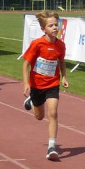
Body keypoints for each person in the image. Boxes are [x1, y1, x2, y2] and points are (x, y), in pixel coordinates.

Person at [22, 11, 69, 161]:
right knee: (39, 116)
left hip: (52, 84)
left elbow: (61, 62)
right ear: (43, 29)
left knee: (53, 113)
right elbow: (26, 64)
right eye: (51, 25)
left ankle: (51, 147)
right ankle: (30, 99)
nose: (55, 27)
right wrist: (26, 83)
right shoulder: (37, 44)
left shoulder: (61, 45)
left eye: (56, 24)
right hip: (36, 85)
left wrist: (64, 77)